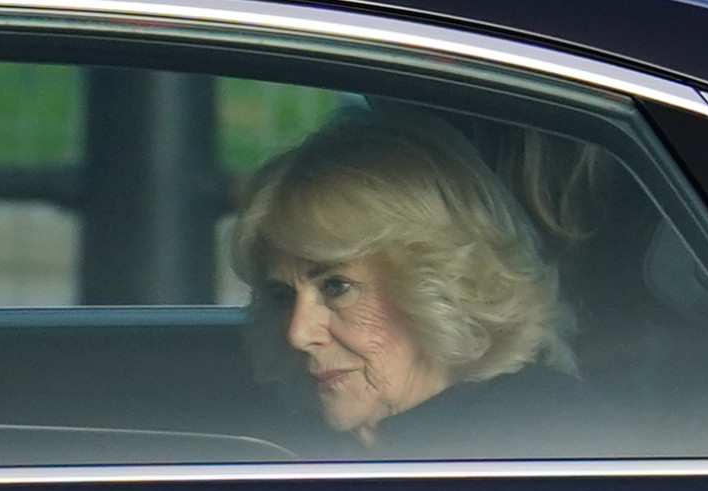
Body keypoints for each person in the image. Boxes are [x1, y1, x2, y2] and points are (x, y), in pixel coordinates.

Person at [230, 109, 606, 459]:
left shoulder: (539, 438)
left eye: (336, 287)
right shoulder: (294, 441)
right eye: (281, 295)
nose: (298, 333)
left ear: (444, 285)